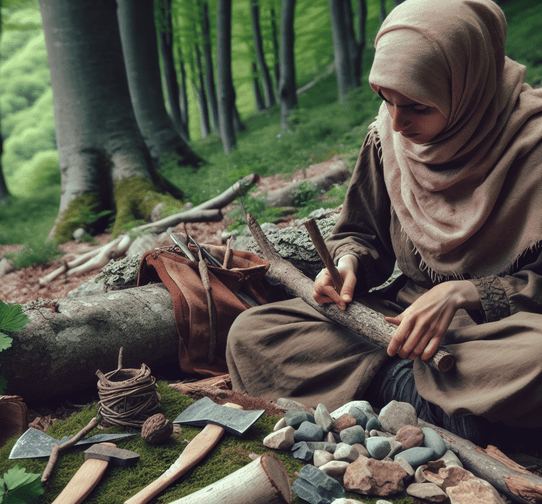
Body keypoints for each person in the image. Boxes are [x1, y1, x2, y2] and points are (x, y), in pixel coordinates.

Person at [226, 0, 542, 446]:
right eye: (385, 99)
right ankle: (430, 399)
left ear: (468, 85)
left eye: (416, 105)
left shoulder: (534, 147)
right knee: (253, 333)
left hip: (502, 335)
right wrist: (347, 264)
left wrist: (461, 293)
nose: (397, 121)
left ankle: (395, 397)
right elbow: (360, 234)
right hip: (395, 323)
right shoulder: (389, 138)